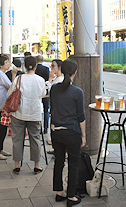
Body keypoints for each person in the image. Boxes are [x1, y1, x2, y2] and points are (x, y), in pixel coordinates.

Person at [50, 59, 86, 206]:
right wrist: (83, 136)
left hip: (56, 132)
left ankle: (59, 192)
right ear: (75, 73)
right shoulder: (77, 92)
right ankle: (71, 195)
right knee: (73, 163)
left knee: (58, 162)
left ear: (61, 70)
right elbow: (81, 117)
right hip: (72, 132)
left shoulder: (54, 89)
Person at [9, 56, 46, 175]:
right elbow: (43, 94)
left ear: (24, 66)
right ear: (36, 66)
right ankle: (37, 165)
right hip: (35, 114)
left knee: (17, 139)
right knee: (35, 139)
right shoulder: (40, 80)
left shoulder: (19, 78)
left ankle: (16, 165)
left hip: (19, 113)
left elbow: (10, 93)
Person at [0, 55, 16, 160]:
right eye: (6, 63)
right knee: (2, 129)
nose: (8, 64)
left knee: (3, 128)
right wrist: (14, 75)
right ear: (1, 65)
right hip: (0, 106)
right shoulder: (0, 75)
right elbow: (12, 87)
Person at [35, 55, 50, 134]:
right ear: (43, 60)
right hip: (45, 92)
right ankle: (46, 128)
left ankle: (39, 127)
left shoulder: (35, 69)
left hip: (37, 92)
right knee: (46, 110)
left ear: (36, 60)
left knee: (38, 110)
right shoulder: (46, 69)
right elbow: (48, 79)